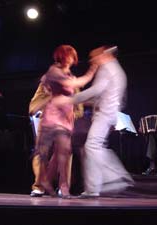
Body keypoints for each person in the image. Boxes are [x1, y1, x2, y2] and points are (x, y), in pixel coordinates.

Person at [53, 45, 134, 197]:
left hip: (104, 114)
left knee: (92, 145)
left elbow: (96, 90)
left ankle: (116, 177)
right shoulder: (117, 70)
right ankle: (94, 188)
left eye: (94, 56)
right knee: (93, 147)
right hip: (108, 113)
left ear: (105, 54)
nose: (92, 60)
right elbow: (111, 97)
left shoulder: (107, 68)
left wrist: (69, 99)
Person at [32, 44, 97, 198]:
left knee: (65, 152)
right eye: (69, 56)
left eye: (73, 56)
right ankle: (41, 185)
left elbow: (76, 99)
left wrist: (91, 102)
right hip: (52, 117)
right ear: (62, 57)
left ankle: (60, 185)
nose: (71, 59)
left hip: (66, 119)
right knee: (42, 152)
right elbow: (39, 100)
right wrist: (92, 71)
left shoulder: (70, 75)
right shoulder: (54, 72)